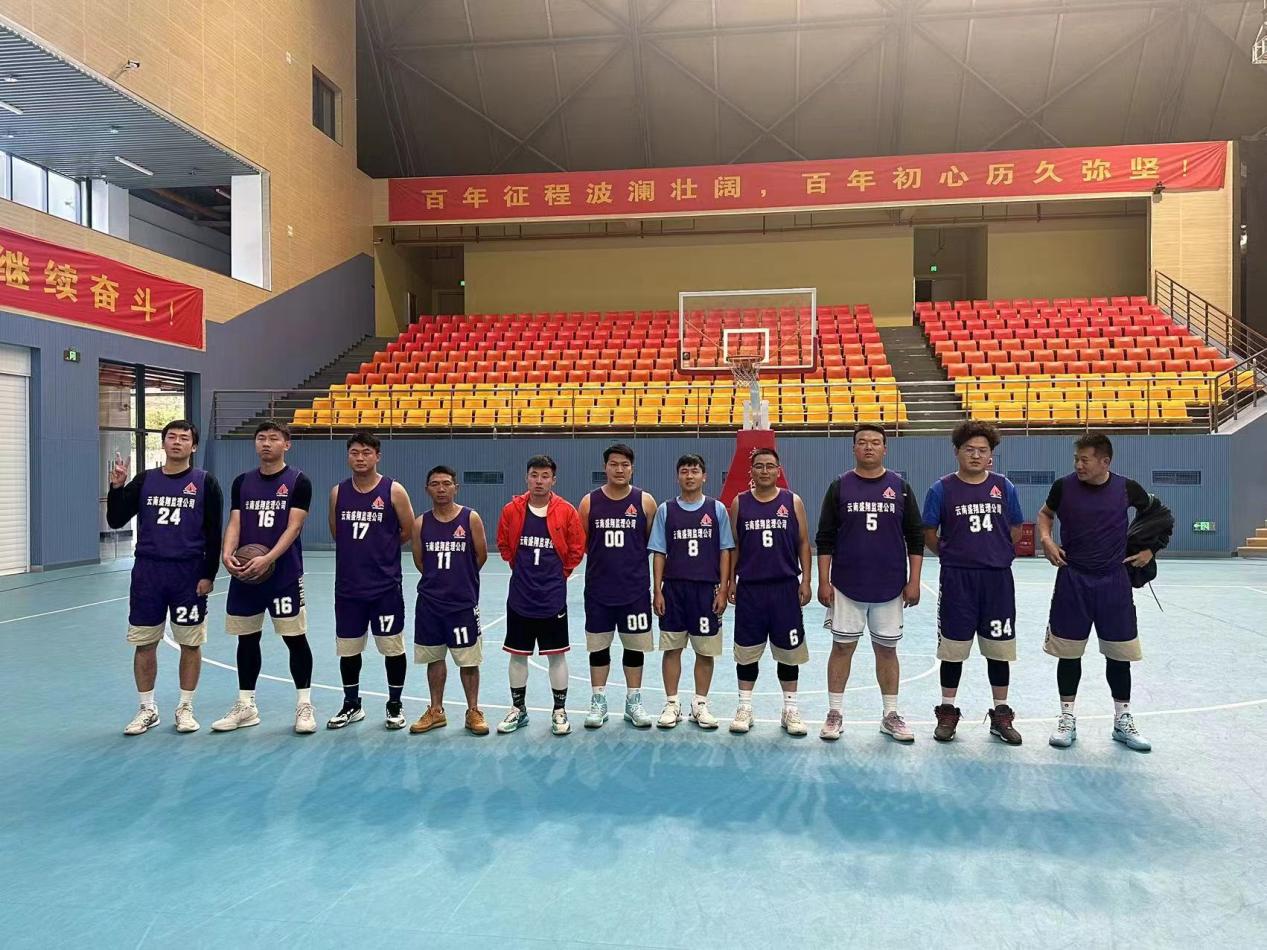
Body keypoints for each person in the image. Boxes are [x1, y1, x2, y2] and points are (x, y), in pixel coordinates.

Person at [1038, 432, 1156, 752]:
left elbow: (1157, 515)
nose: (1079, 465)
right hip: (1072, 579)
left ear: (1105, 462)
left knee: (1119, 655)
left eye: (1085, 460)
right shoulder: (1063, 487)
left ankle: (1122, 720)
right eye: (1076, 459)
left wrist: (1150, 549)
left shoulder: (1127, 488)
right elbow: (1045, 514)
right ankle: (1066, 717)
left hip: (1114, 582)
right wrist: (1046, 540)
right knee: (1069, 653)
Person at [107, 420, 223, 735]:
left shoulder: (205, 482)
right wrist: (116, 488)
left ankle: (185, 707)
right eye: (171, 436)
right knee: (144, 642)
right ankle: (147, 708)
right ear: (163, 443)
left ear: (193, 446)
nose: (177, 442)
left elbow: (214, 533)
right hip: (149, 573)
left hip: (188, 574)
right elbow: (116, 520)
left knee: (190, 643)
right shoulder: (145, 480)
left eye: (184, 438)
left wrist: (209, 574)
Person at [816, 424, 923, 743]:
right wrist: (823, 581)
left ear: (885, 449)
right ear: (853, 448)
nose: (868, 447)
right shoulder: (839, 486)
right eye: (862, 442)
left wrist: (914, 580)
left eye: (875, 442)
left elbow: (915, 537)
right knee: (842, 647)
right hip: (846, 584)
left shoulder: (900, 487)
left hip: (890, 585)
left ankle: (890, 714)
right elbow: (825, 538)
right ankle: (834, 713)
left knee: (887, 650)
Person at [922, 421, 1024, 745]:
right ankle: (947, 712)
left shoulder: (1004, 487)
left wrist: (996, 552)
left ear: (991, 455)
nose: (976, 455)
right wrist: (952, 554)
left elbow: (1016, 528)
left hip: (997, 580)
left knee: (999, 649)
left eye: (983, 450)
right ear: (957, 452)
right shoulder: (941, 489)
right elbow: (929, 533)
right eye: (970, 449)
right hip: (957, 580)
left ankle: (1001, 713)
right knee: (953, 650)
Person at [213, 421, 316, 735]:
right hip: (246, 575)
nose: (266, 443)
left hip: (283, 575)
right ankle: (246, 705)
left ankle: (304, 705)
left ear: (287, 444)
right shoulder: (242, 482)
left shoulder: (298, 481)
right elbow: (235, 522)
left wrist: (268, 558)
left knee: (294, 638)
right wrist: (226, 553)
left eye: (273, 438)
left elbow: (294, 527)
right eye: (261, 438)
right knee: (247, 638)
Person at [327, 431, 415, 731]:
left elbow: (407, 531)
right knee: (349, 649)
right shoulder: (338, 492)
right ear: (348, 456)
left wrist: (382, 550)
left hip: (384, 588)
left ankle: (395, 704)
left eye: (366, 452)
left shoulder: (394, 491)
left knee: (392, 647)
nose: (360, 458)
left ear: (377, 456)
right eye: (354, 452)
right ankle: (352, 704)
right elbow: (337, 533)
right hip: (348, 588)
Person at [495, 455, 585, 736]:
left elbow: (576, 548)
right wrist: (521, 570)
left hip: (552, 597)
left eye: (545, 476)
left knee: (556, 656)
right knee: (517, 655)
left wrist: (560, 574)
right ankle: (518, 709)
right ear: (527, 478)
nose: (539, 481)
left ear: (553, 480)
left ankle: (559, 710)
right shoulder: (512, 510)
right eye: (534, 475)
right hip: (520, 596)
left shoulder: (566, 511)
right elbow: (504, 545)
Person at [727, 448, 813, 736]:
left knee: (789, 653)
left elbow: (803, 543)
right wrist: (731, 581)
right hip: (751, 589)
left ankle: (790, 709)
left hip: (784, 588)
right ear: (751, 471)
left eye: (769, 466)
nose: (764, 471)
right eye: (759, 466)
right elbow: (734, 546)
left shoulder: (792, 501)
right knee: (747, 652)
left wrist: (806, 580)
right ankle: (744, 707)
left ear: (778, 470)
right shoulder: (740, 503)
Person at [650, 453, 734, 729]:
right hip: (674, 590)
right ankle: (671, 703)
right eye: (684, 471)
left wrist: (723, 589)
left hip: (706, 590)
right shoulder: (665, 510)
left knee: (705, 650)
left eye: (695, 471)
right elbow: (659, 552)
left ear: (704, 476)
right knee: (672, 648)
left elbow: (725, 551)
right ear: (678, 476)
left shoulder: (716, 509)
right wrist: (657, 590)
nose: (689, 476)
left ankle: (700, 703)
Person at [578, 444, 659, 729]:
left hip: (634, 590)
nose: (619, 469)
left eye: (625, 464)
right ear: (605, 467)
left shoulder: (645, 501)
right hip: (598, 590)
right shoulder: (589, 502)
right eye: (614, 464)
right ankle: (598, 701)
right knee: (599, 648)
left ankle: (633, 701)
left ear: (632, 468)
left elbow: (650, 542)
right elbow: (584, 543)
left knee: (634, 647)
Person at [409, 466, 490, 737]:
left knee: (468, 660)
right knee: (434, 658)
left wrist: (460, 581)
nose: (441, 489)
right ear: (427, 489)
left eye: (446, 483)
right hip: (430, 604)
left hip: (462, 604)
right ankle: (436, 710)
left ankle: (473, 710)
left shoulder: (470, 518)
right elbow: (420, 561)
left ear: (456, 487)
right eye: (435, 484)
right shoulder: (420, 523)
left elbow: (480, 556)